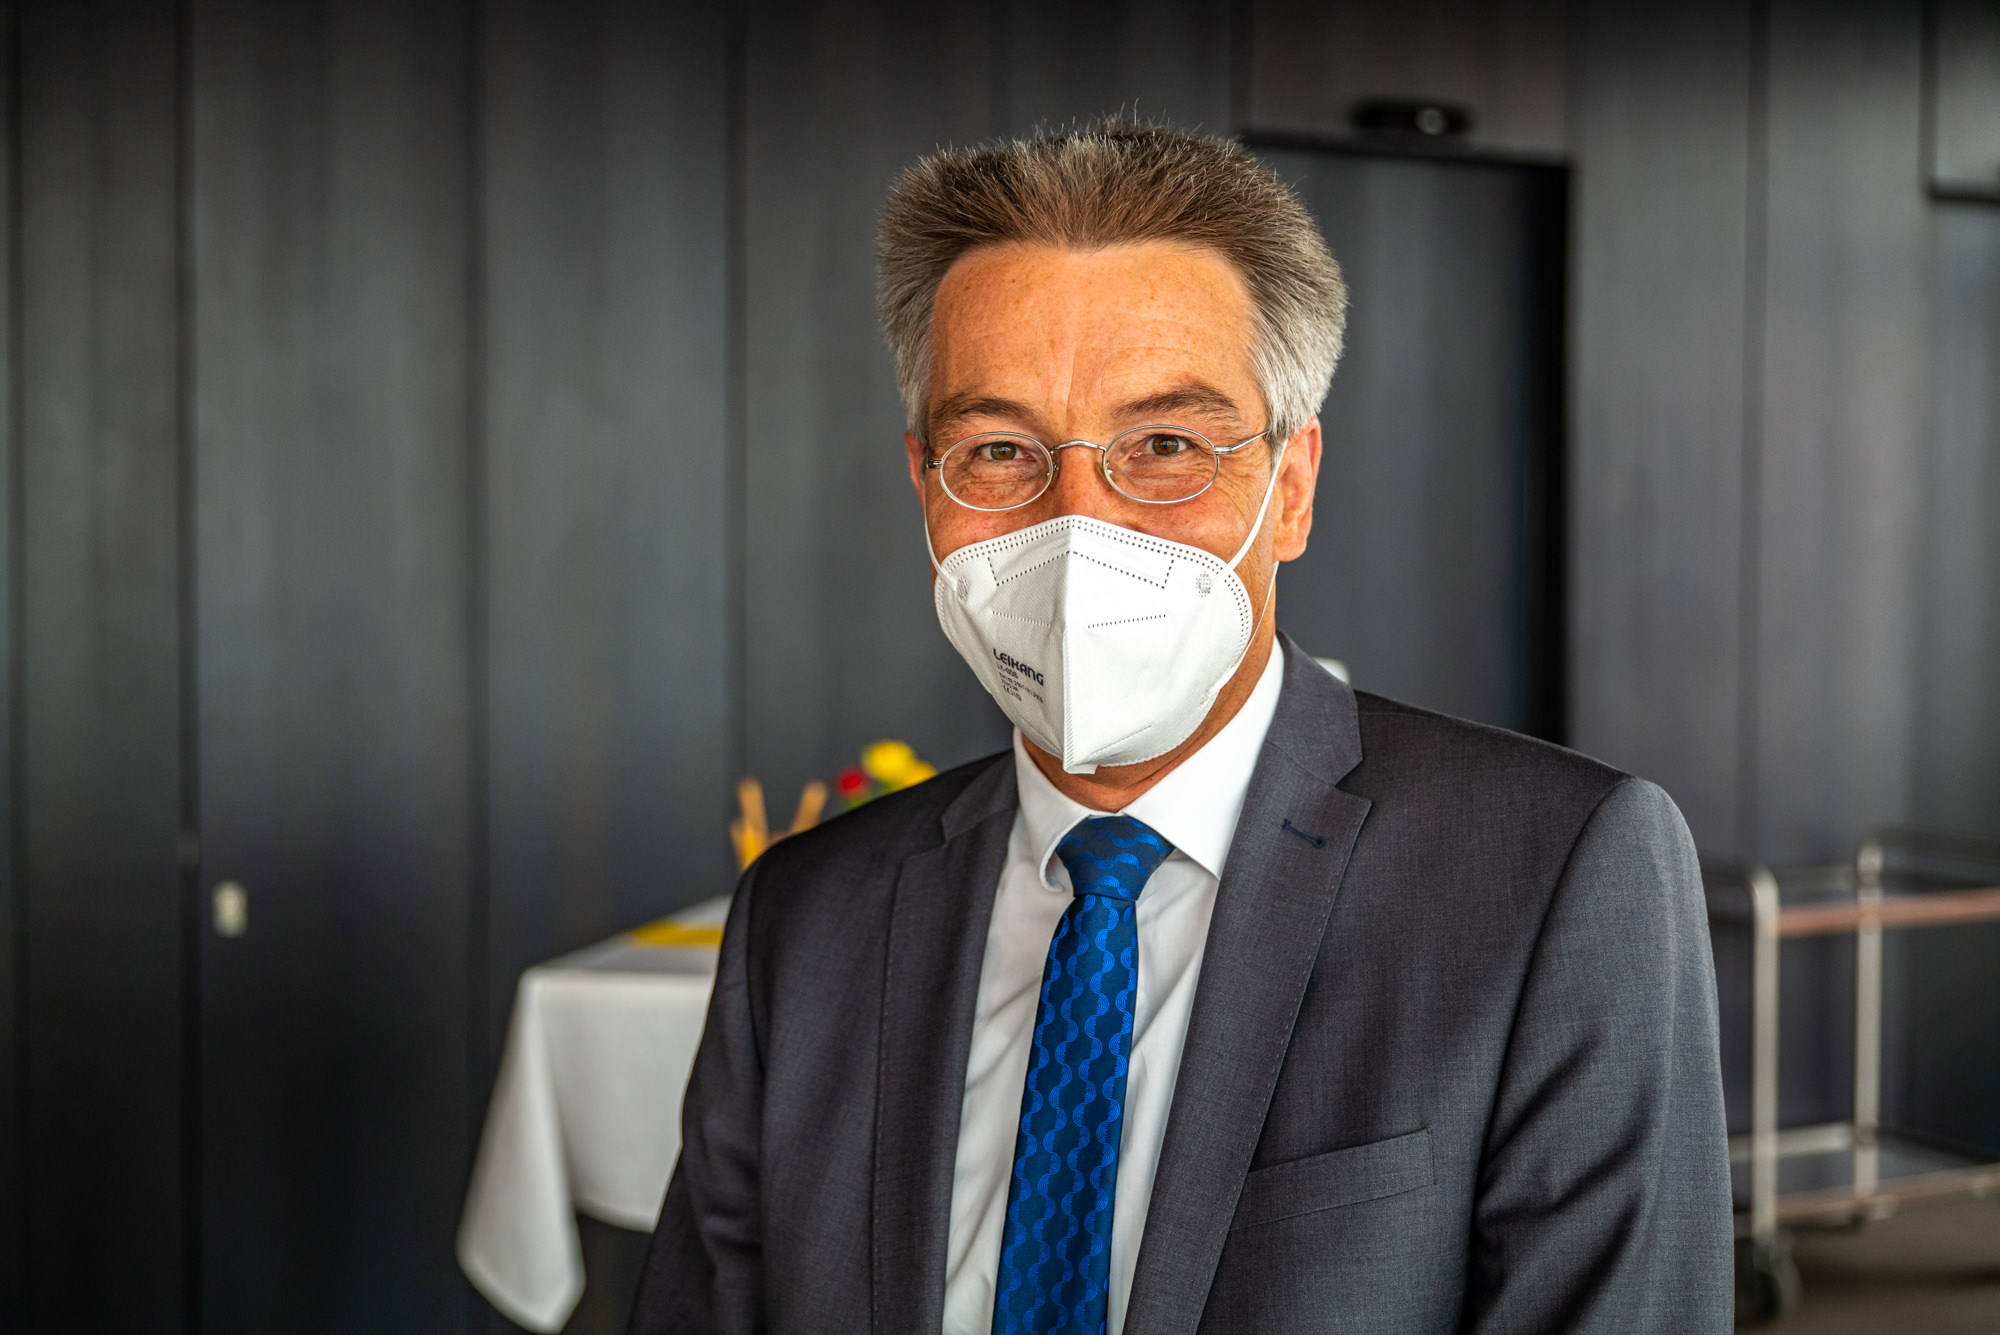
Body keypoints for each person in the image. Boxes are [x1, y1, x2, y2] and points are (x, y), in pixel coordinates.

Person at [630, 119, 1732, 1335]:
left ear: (1289, 488)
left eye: (1163, 445)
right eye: (997, 450)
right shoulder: (806, 919)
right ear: (923, 486)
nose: (1078, 522)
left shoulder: (1548, 877)